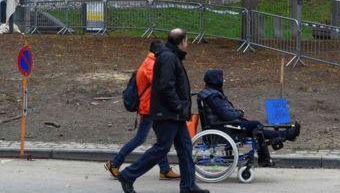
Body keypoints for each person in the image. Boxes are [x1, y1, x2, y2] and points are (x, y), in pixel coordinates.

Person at [117, 28, 209, 193]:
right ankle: (128, 175)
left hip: (174, 114)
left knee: (185, 148)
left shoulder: (170, 56)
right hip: (168, 114)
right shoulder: (168, 57)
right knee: (161, 149)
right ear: (181, 42)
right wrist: (179, 107)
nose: (188, 44)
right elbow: (166, 86)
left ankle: (188, 186)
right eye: (187, 40)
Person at [105, 40, 180, 180]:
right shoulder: (150, 64)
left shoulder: (150, 62)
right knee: (141, 138)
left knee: (161, 141)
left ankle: (164, 169)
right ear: (158, 51)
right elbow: (160, 83)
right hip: (149, 107)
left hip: (152, 106)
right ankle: (114, 162)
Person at [198, 69, 301, 167]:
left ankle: (284, 135)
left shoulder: (210, 93)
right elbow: (226, 115)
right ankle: (282, 137)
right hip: (225, 128)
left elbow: (224, 112)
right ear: (216, 80)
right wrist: (239, 113)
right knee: (256, 125)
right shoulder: (213, 96)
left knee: (256, 127)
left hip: (225, 125)